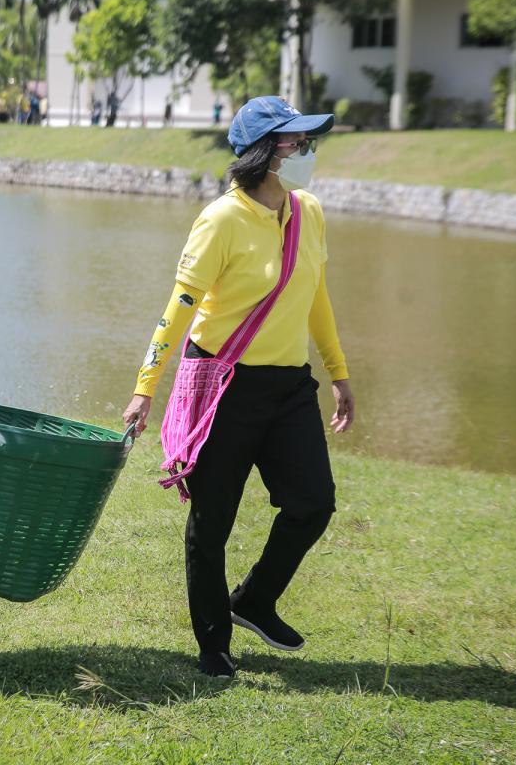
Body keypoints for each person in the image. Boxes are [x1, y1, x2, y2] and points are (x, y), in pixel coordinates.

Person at [122, 96, 354, 679]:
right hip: (222, 385)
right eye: (292, 142)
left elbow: (316, 298)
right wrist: (145, 386)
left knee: (313, 502)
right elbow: (179, 307)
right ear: (262, 154)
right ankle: (213, 643)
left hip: (289, 387)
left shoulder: (310, 213)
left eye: (306, 141)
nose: (304, 151)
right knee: (213, 521)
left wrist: (339, 372)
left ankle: (253, 600)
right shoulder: (221, 219)